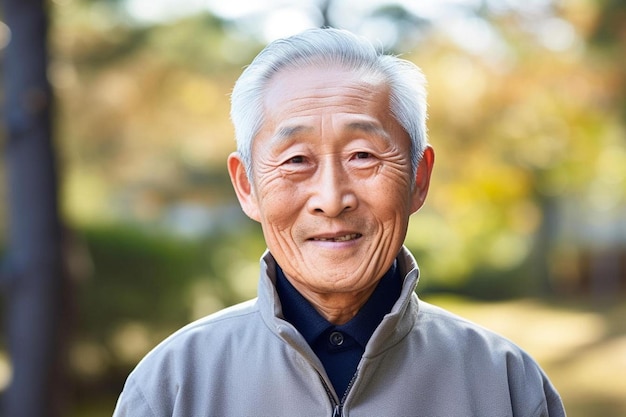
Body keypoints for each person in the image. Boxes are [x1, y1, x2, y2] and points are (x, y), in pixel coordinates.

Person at [112, 27, 566, 417]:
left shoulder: (507, 385)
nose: (331, 199)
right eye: (295, 159)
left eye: (363, 155)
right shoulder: (172, 386)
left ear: (418, 179)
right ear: (247, 186)